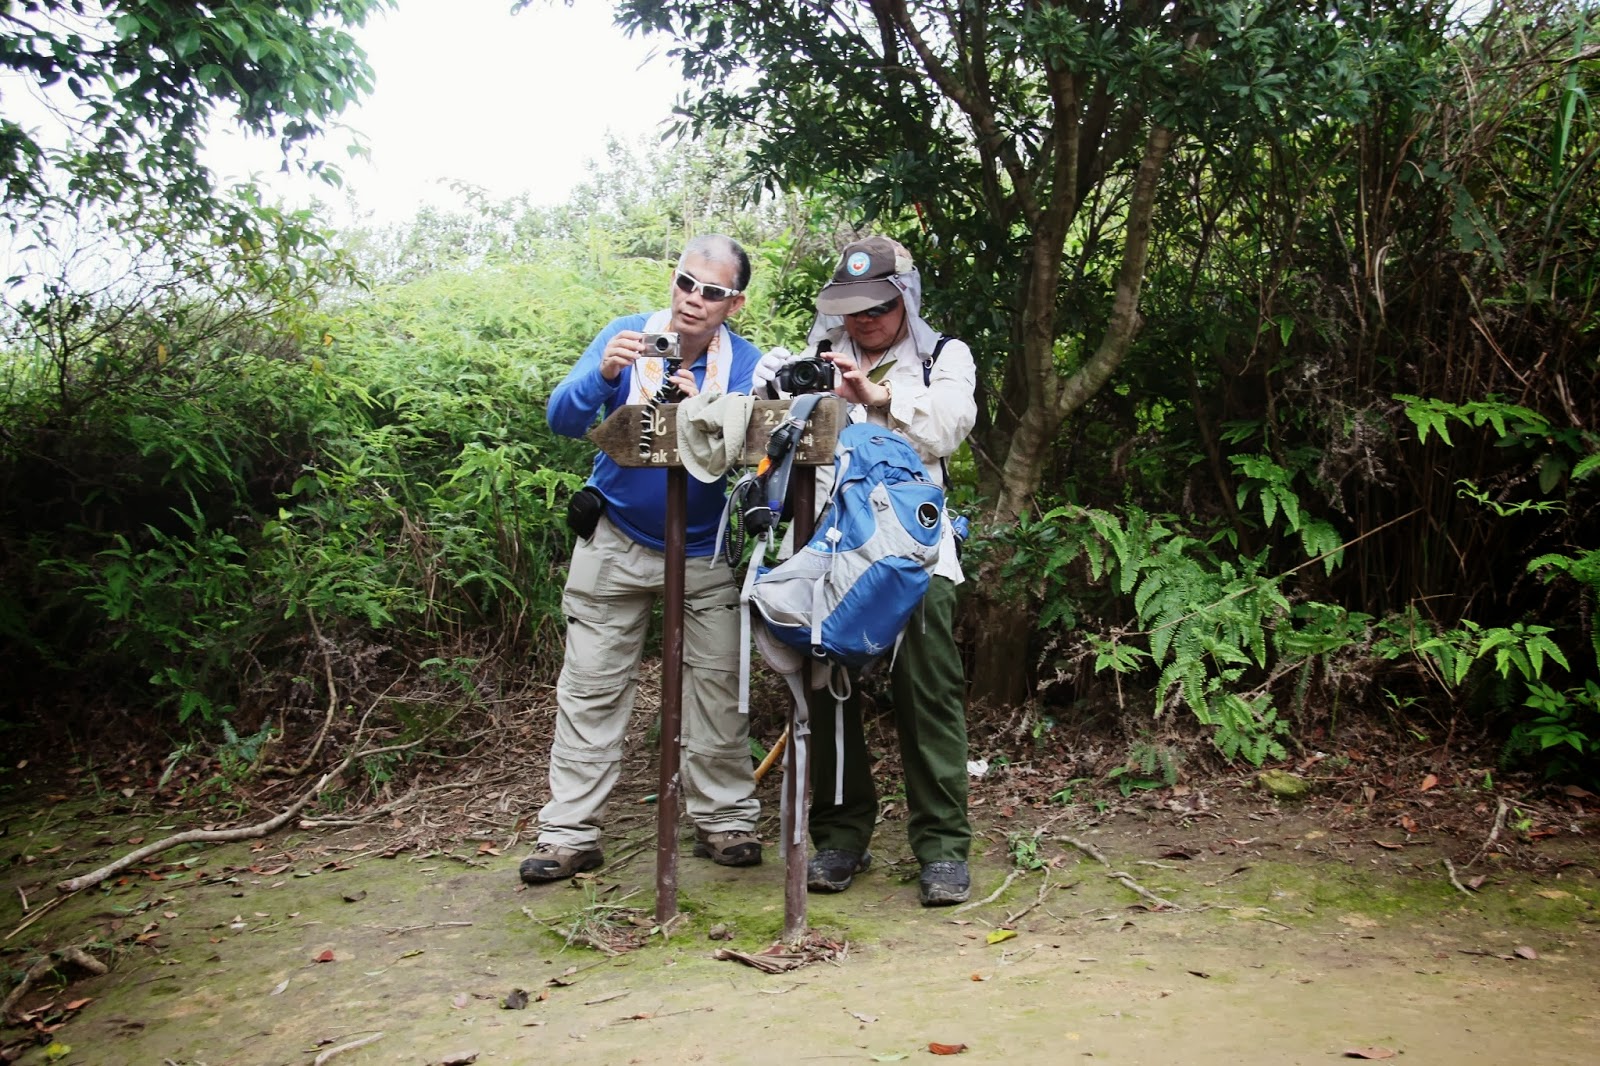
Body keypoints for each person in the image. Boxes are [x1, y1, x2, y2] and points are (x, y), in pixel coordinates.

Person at [520, 234, 764, 884]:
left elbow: (759, 450)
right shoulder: (627, 336)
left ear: (734, 303)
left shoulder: (746, 363)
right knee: (591, 688)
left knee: (719, 688)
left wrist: (701, 408)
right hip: (616, 538)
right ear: (673, 281)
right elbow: (561, 418)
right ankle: (569, 833)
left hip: (705, 547)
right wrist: (605, 375)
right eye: (686, 282)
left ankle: (725, 820)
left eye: (712, 291)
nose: (694, 299)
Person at [753, 236, 978, 906]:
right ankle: (840, 838)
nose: (865, 319)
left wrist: (876, 397)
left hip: (916, 558)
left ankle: (942, 848)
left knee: (928, 695)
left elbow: (949, 426)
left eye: (879, 305)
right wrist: (772, 392)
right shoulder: (813, 358)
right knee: (828, 697)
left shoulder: (943, 356)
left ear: (905, 297)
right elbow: (765, 446)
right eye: (852, 307)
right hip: (827, 557)